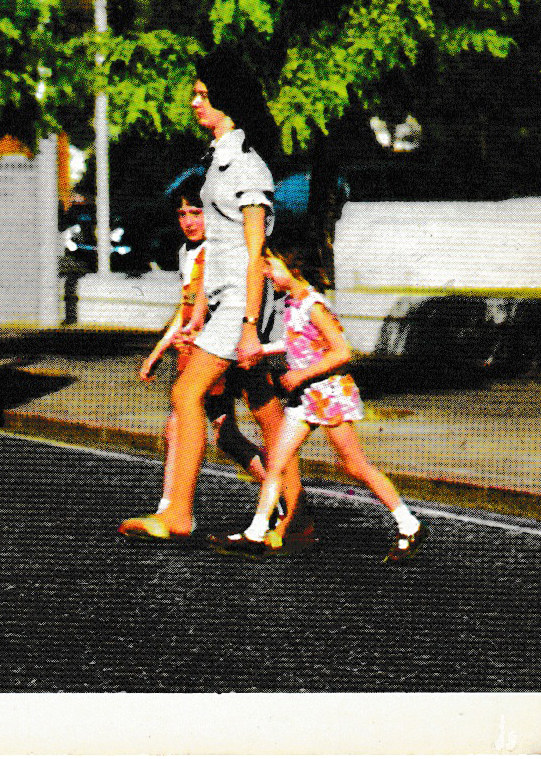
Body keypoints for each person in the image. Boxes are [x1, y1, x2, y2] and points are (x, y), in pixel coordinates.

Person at [119, 52, 302, 544]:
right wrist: (199, 310)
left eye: (204, 95)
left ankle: (178, 513)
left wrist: (247, 324)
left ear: (228, 101)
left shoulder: (246, 166)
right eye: (195, 94)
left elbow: (253, 249)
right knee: (265, 407)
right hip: (224, 302)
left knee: (186, 394)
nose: (194, 102)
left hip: (244, 303)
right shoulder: (218, 162)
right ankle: (296, 520)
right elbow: (213, 249)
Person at [212, 242, 426, 563]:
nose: (266, 273)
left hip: (329, 395)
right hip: (305, 399)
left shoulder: (314, 304)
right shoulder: (291, 303)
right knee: (276, 463)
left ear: (293, 268)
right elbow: (296, 341)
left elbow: (342, 351)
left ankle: (409, 524)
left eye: (271, 266)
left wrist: (301, 375)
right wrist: (263, 351)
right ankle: (255, 534)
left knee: (354, 466)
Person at [137, 182, 270, 513]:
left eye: (195, 213)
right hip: (195, 352)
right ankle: (285, 499)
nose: (188, 221)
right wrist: (157, 352)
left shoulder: (218, 252)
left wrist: (201, 336)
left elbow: (226, 306)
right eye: (182, 214)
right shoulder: (188, 253)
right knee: (225, 435)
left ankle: (171, 510)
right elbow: (185, 312)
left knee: (178, 426)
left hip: (214, 353)